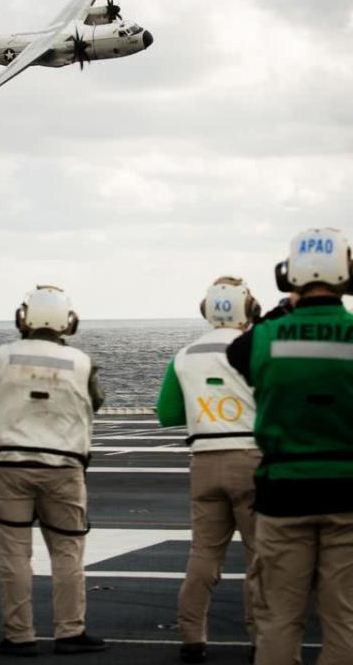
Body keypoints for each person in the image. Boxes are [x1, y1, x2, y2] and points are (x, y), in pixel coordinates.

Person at [227, 228, 353, 665]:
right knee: (344, 619)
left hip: (283, 490)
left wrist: (285, 311)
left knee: (279, 616)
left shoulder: (261, 339)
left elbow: (240, 352)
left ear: (288, 277)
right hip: (347, 489)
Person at [0, 285, 108, 657]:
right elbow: (97, 401)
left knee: (14, 552)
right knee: (67, 552)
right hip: (64, 468)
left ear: (23, 318)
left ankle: (19, 636)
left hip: (11, 465)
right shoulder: (82, 362)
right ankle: (70, 631)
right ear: (69, 323)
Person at [157, 277, 262, 664]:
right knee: (261, 557)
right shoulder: (256, 348)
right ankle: (262, 638)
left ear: (206, 310)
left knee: (203, 555)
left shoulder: (185, 355)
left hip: (203, 460)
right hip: (252, 458)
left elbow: (167, 413)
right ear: (249, 309)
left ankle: (192, 637)